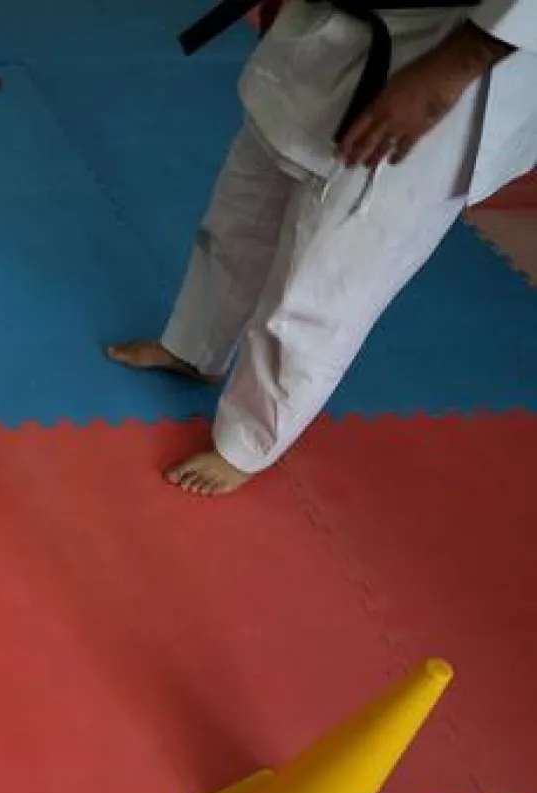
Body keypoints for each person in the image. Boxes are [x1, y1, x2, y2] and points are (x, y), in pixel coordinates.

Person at [108, 0, 537, 495]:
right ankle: (194, 348)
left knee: (321, 282)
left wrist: (444, 77)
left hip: (448, 52)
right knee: (239, 217)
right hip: (331, 28)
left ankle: (247, 443)